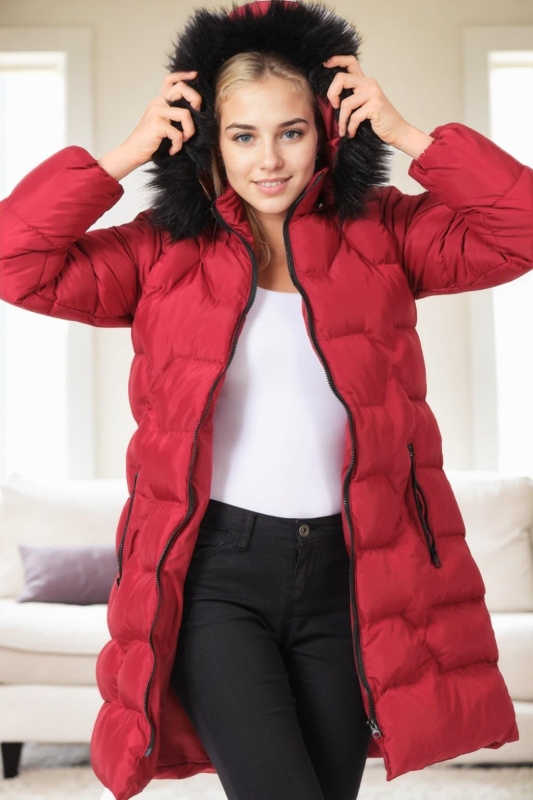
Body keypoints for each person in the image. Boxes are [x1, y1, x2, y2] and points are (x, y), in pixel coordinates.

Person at [0, 0, 530, 798]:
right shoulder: (160, 250)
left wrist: (405, 132)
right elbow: (15, 260)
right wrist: (124, 153)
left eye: (291, 131)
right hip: (216, 573)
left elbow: (520, 226)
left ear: (327, 132)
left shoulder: (383, 234)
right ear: (208, 140)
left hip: (349, 574)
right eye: (242, 136)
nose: (269, 160)